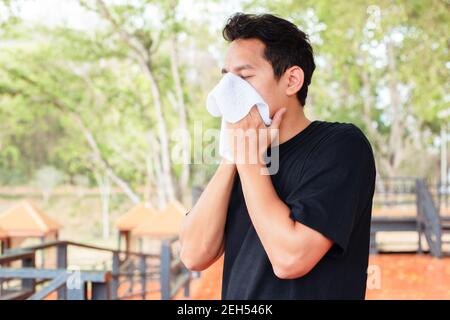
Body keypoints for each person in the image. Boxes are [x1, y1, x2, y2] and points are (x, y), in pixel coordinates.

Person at [179, 12, 376, 300]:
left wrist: (249, 162)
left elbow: (290, 259)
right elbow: (193, 255)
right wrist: (234, 155)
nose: (228, 92)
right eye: (226, 78)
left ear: (292, 80)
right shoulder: (243, 157)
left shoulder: (342, 146)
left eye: (244, 77)